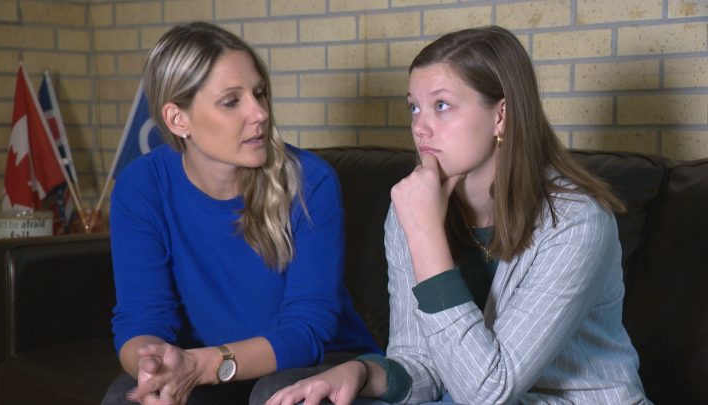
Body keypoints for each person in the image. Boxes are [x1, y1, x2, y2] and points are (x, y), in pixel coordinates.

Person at [266, 25, 650, 405]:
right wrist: (362, 372)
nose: (420, 127)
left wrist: (426, 236)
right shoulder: (410, 207)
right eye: (414, 107)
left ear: (501, 116)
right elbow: (421, 365)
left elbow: (489, 392)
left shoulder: (575, 222)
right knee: (282, 395)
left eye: (441, 106)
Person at [101, 21, 380, 405]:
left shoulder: (311, 182)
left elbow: (307, 330)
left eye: (259, 93)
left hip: (316, 362)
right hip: (205, 365)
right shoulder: (140, 186)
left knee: (274, 394)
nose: (260, 113)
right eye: (232, 101)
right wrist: (154, 369)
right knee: (127, 396)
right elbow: (142, 318)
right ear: (178, 119)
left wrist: (201, 366)